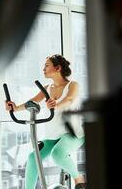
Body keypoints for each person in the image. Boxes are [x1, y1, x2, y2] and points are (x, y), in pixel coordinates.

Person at [5, 54, 86, 189]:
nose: (43, 69)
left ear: (58, 68)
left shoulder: (73, 85)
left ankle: (78, 178)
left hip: (73, 134)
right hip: (53, 135)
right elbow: (33, 102)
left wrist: (56, 105)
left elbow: (70, 99)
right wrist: (15, 108)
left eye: (46, 65)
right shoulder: (47, 88)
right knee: (33, 158)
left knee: (57, 154)